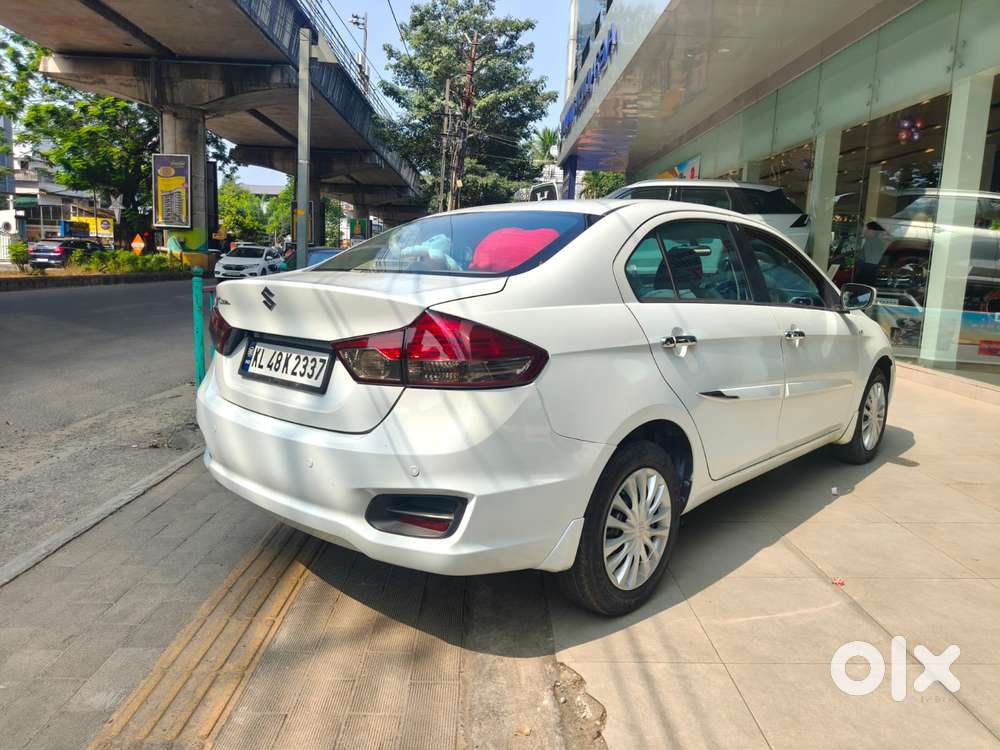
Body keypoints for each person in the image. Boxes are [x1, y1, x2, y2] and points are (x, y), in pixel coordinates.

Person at [856, 221, 887, 285]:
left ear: (872, 231)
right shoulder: (876, 242)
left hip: (866, 276)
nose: (863, 231)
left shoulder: (872, 242)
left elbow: (870, 262)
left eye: (865, 229)